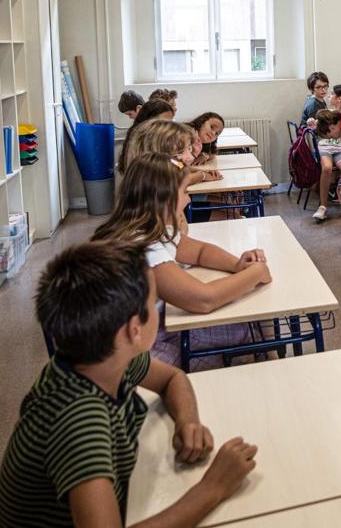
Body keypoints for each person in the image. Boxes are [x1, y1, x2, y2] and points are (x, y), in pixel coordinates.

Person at [0, 241, 259, 528]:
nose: (159, 309)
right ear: (134, 330)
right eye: (154, 304)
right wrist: (213, 488)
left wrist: (188, 421)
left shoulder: (100, 357)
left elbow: (172, 378)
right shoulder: (78, 419)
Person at [92, 154, 272, 370]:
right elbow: (204, 300)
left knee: (246, 325)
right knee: (245, 332)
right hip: (133, 353)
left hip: (144, 331)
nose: (188, 200)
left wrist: (236, 265)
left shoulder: (148, 229)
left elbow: (199, 252)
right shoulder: (144, 247)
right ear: (164, 198)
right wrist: (256, 272)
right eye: (184, 192)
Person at [121, 119, 222, 187]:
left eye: (189, 149)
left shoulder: (171, 160)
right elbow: (180, 178)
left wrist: (204, 172)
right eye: (180, 151)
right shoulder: (154, 176)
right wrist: (201, 175)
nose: (190, 157)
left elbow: (181, 166)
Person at [311, 109, 341, 223]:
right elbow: (312, 125)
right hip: (325, 148)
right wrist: (310, 123)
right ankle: (323, 207)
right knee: (327, 168)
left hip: (339, 149)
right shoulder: (323, 124)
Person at [117, 98, 176, 173]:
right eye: (162, 123)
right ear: (148, 121)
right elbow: (165, 164)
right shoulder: (142, 143)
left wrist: (182, 167)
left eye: (170, 122)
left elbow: (174, 161)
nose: (168, 127)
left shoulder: (163, 139)